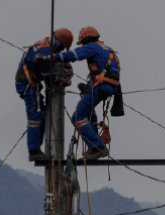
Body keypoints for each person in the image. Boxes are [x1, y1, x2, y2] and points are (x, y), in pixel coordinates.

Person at [48, 26, 121, 160]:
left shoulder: (93, 47)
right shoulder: (109, 50)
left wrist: (53, 56)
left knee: (78, 117)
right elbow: (107, 73)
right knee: (88, 112)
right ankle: (94, 145)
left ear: (87, 39)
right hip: (110, 87)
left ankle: (97, 147)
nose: (84, 45)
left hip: (102, 87)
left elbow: (75, 55)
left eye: (83, 43)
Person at [15, 29, 74, 162]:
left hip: (30, 84)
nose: (61, 49)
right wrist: (62, 81)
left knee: (42, 115)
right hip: (28, 86)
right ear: (59, 43)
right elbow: (48, 77)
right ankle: (34, 151)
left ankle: (37, 148)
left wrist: (64, 62)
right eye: (62, 47)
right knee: (35, 118)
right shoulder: (46, 51)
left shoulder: (43, 45)